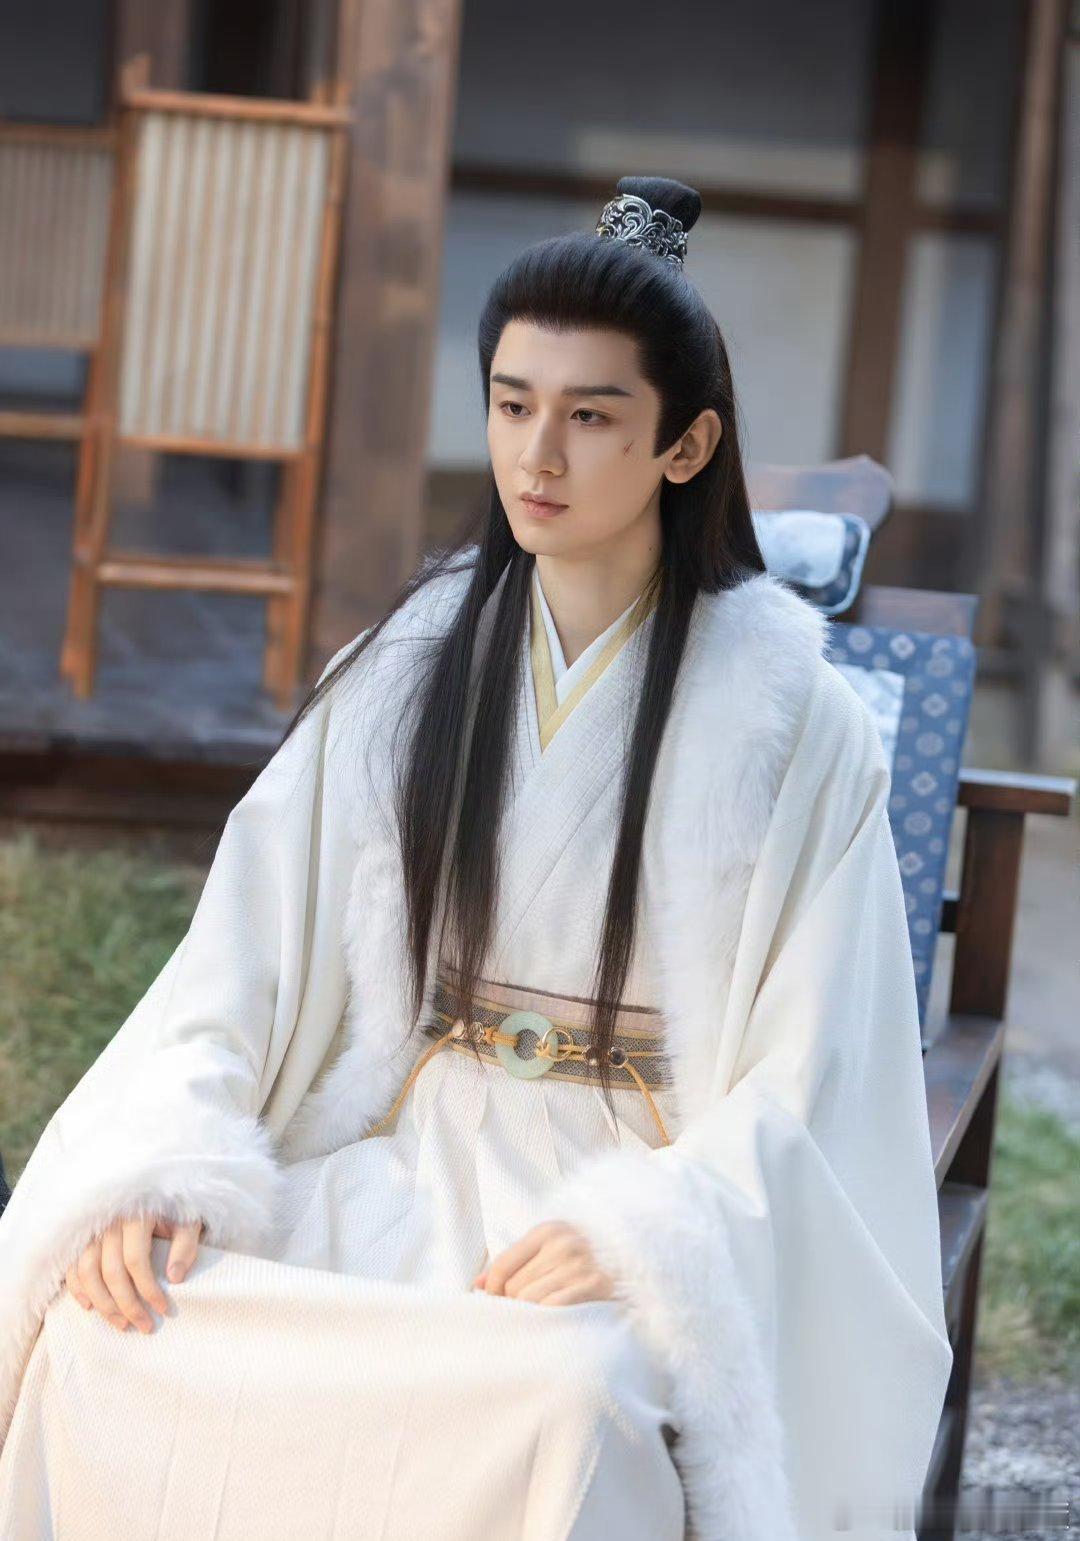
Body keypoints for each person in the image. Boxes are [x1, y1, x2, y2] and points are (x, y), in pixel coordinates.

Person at [0, 175, 951, 1540]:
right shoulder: (403, 669)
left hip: (625, 1173)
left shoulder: (798, 721)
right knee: (116, 1328)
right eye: (512, 404)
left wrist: (651, 1230)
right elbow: (236, 968)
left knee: (566, 1398)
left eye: (591, 415)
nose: (537, 456)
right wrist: (164, 1163)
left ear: (687, 446)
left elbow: (817, 1069)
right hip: (405, 1143)